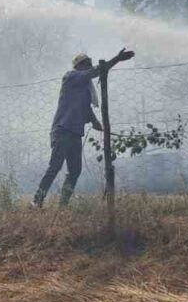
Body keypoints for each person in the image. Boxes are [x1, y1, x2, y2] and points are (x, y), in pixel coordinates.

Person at [33, 48, 135, 207]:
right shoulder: (71, 76)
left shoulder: (85, 89)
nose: (90, 66)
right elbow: (94, 72)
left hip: (74, 133)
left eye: (90, 63)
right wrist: (117, 59)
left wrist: (97, 124)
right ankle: (36, 201)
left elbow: (86, 111)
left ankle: (62, 206)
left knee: (74, 171)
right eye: (87, 63)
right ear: (79, 66)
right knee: (55, 167)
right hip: (62, 130)